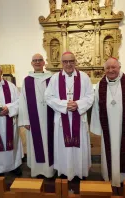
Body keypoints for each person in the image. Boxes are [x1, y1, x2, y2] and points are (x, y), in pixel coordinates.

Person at [90, 57, 125, 187]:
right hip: (107, 127)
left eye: (113, 67)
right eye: (108, 68)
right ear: (104, 70)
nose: (111, 70)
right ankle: (108, 175)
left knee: (124, 153)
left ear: (119, 67)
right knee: (108, 152)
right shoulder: (100, 85)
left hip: (124, 129)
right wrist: (97, 126)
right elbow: (96, 107)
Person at [44, 51, 94, 180]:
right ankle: (64, 171)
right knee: (63, 146)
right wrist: (65, 104)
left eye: (71, 61)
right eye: (65, 61)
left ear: (75, 61)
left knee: (79, 146)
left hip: (79, 118)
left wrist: (78, 104)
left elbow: (90, 96)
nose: (68, 64)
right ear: (62, 63)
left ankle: (79, 171)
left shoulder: (84, 77)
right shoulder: (55, 78)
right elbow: (48, 97)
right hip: (62, 119)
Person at [18, 54, 55, 178]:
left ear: (44, 62)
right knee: (36, 144)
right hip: (34, 120)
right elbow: (22, 101)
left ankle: (51, 170)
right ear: (32, 63)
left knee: (51, 142)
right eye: (35, 60)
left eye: (40, 60)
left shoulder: (52, 78)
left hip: (50, 117)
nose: (38, 62)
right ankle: (38, 170)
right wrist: (25, 120)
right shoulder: (27, 80)